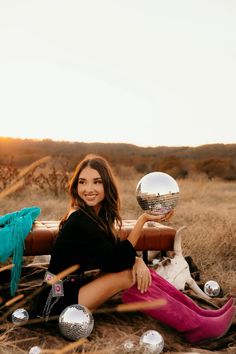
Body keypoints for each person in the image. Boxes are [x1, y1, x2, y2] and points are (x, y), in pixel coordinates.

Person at [36, 154, 235, 344]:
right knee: (128, 275)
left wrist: (138, 261)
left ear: (107, 185)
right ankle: (197, 327)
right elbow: (117, 261)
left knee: (136, 271)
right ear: (75, 186)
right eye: (82, 182)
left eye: (97, 182)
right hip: (56, 301)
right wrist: (143, 221)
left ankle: (202, 316)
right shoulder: (80, 219)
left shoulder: (96, 216)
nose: (89, 188)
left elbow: (115, 252)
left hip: (75, 288)